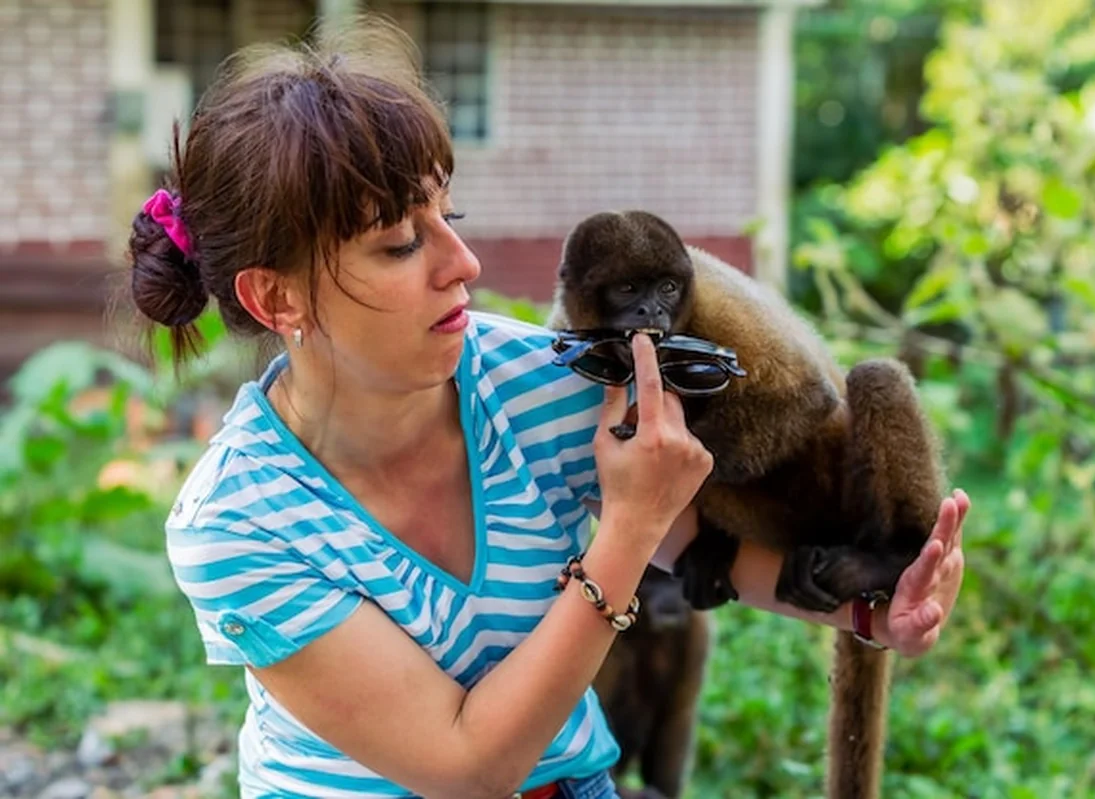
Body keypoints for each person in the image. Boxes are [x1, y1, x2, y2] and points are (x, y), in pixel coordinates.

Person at [127, 18, 970, 799]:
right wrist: (626, 529)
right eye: (401, 243)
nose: (463, 261)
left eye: (448, 215)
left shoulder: (538, 380)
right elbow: (467, 765)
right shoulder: (240, 518)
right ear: (275, 298)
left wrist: (873, 610)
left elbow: (703, 551)